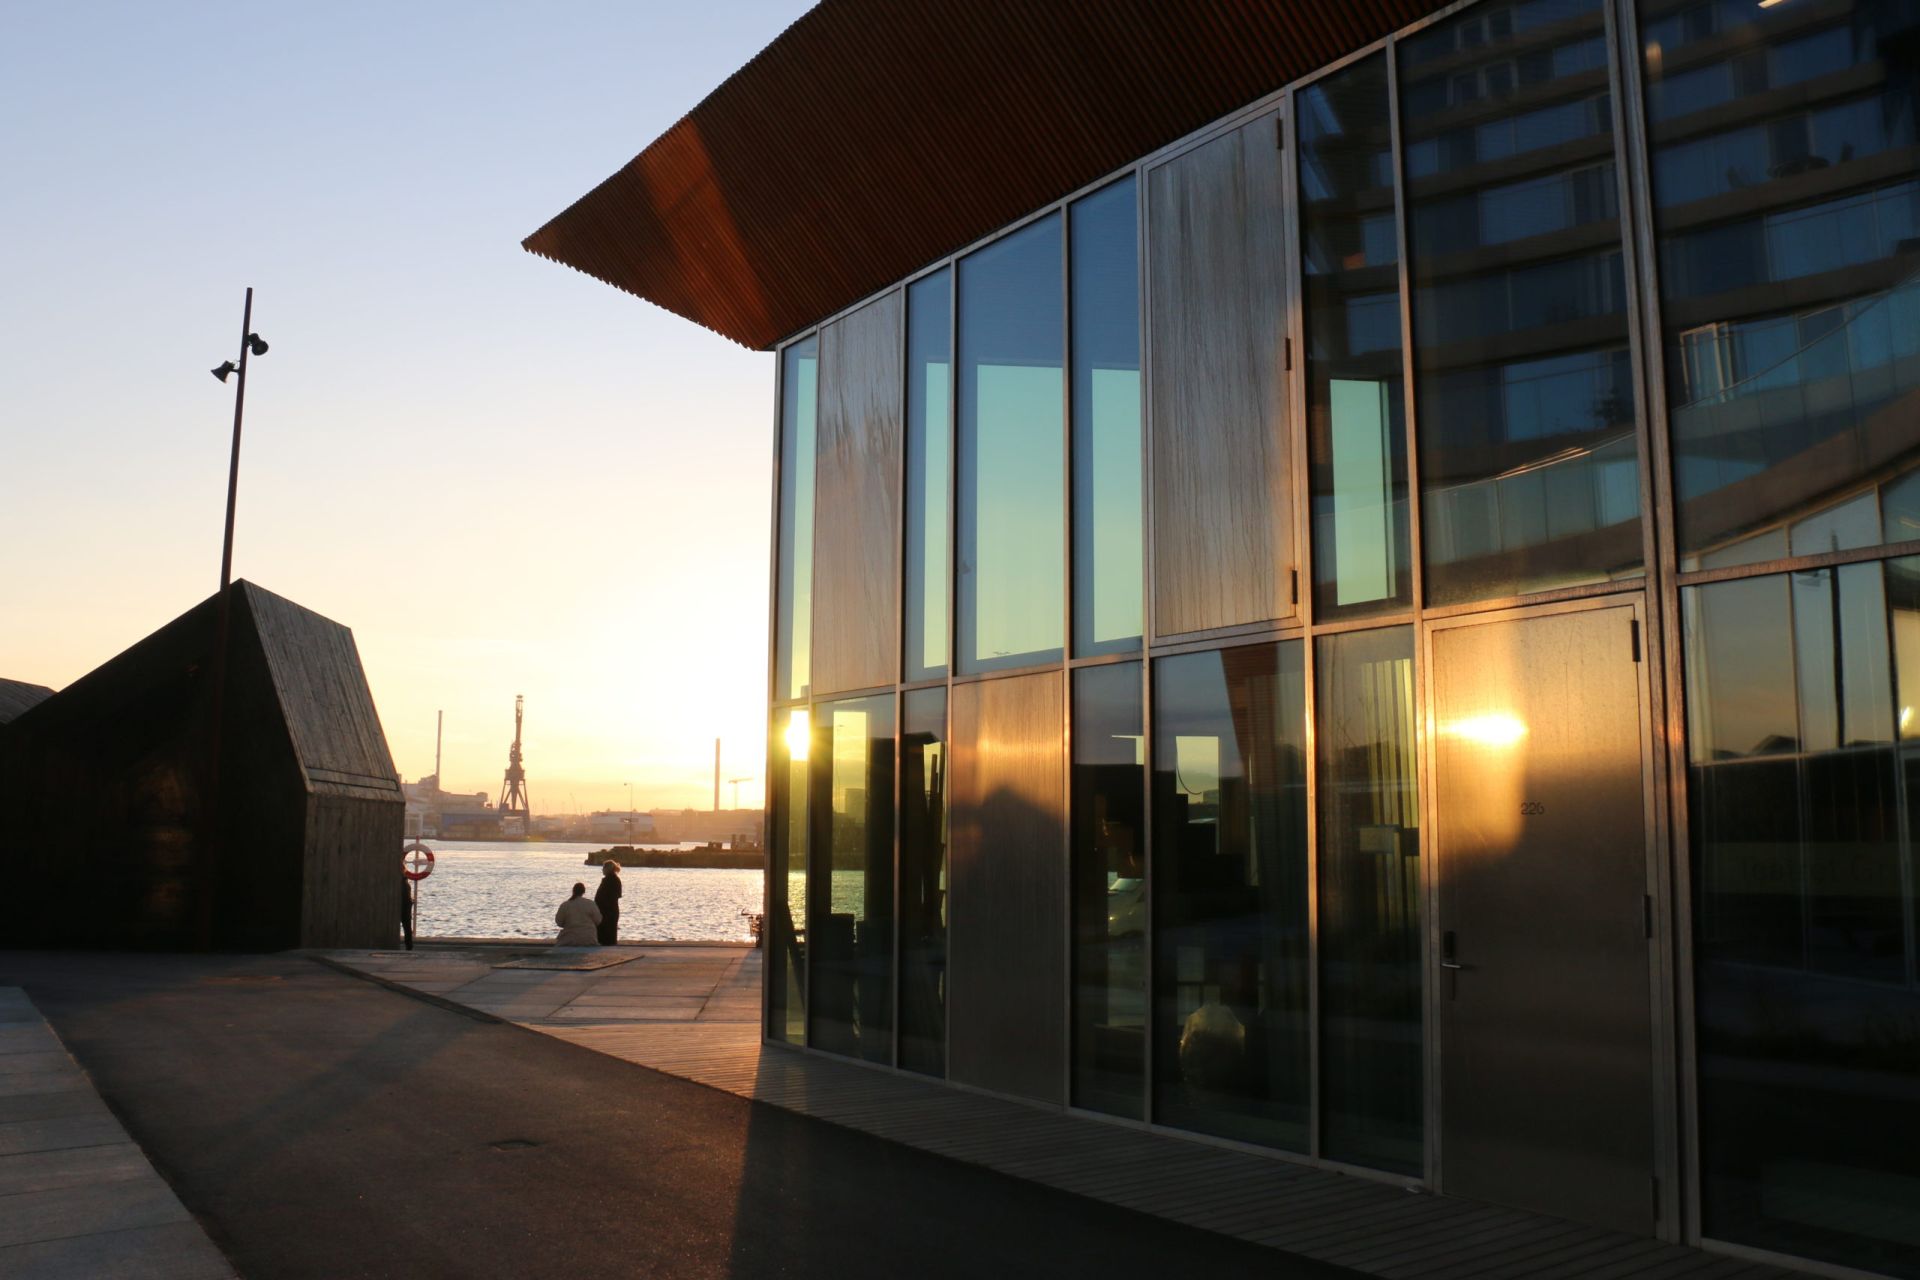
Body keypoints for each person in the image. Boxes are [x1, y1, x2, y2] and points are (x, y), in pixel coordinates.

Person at [554, 882, 602, 947]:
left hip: (569, 938)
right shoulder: (591, 904)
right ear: (584, 892)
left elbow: (559, 922)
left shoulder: (565, 905)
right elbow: (598, 920)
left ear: (573, 891)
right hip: (589, 938)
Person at [593, 861, 623, 946]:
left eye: (603, 867)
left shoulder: (609, 880)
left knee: (605, 933)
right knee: (609, 934)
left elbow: (606, 896)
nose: (602, 869)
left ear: (608, 869)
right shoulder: (615, 879)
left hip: (607, 911)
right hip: (611, 910)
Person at [399, 871, 415, 952]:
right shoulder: (407, 885)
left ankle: (409, 945)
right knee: (407, 928)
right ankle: (409, 945)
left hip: (402, 908)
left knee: (407, 928)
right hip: (406, 908)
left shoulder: (401, 885)